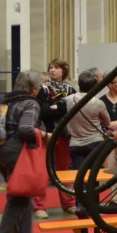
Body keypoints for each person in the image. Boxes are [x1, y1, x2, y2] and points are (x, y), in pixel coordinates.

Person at [0, 70, 46, 233]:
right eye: (39, 86)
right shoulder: (30, 103)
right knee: (17, 198)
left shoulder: (6, 101)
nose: (40, 90)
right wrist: (45, 135)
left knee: (23, 192)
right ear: (33, 89)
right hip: (16, 152)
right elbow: (26, 130)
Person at [35, 58, 76, 217]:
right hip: (45, 133)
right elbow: (43, 111)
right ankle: (39, 206)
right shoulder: (42, 89)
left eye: (56, 67)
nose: (52, 70)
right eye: (50, 67)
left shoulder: (70, 90)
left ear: (64, 71)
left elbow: (70, 111)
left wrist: (56, 108)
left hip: (64, 134)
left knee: (64, 169)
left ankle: (68, 203)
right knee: (43, 169)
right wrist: (59, 107)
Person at [65, 70, 111, 171]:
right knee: (93, 174)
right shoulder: (98, 103)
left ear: (79, 84)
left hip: (75, 143)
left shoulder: (69, 100)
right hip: (95, 142)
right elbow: (107, 122)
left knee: (78, 174)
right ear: (95, 86)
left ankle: (80, 187)